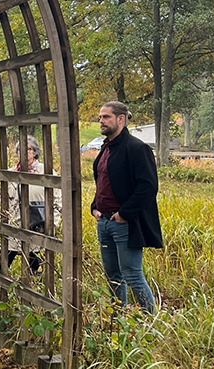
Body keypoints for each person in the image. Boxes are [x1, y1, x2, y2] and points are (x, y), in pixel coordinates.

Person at [91, 101, 161, 314]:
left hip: (124, 224)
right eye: (100, 117)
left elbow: (148, 187)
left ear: (121, 119)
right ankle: (118, 320)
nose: (101, 121)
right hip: (104, 222)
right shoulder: (106, 148)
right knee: (113, 276)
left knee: (132, 274)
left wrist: (124, 214)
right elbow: (103, 182)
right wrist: (95, 206)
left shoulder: (136, 148)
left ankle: (152, 320)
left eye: (106, 117)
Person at [4, 136, 62, 275]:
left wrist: (52, 223)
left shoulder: (46, 172)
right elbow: (2, 199)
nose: (23, 152)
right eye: (19, 149)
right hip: (14, 226)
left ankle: (32, 284)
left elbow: (57, 199)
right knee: (3, 262)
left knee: (34, 265)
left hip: (37, 226)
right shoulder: (10, 173)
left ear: (35, 152)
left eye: (28, 149)